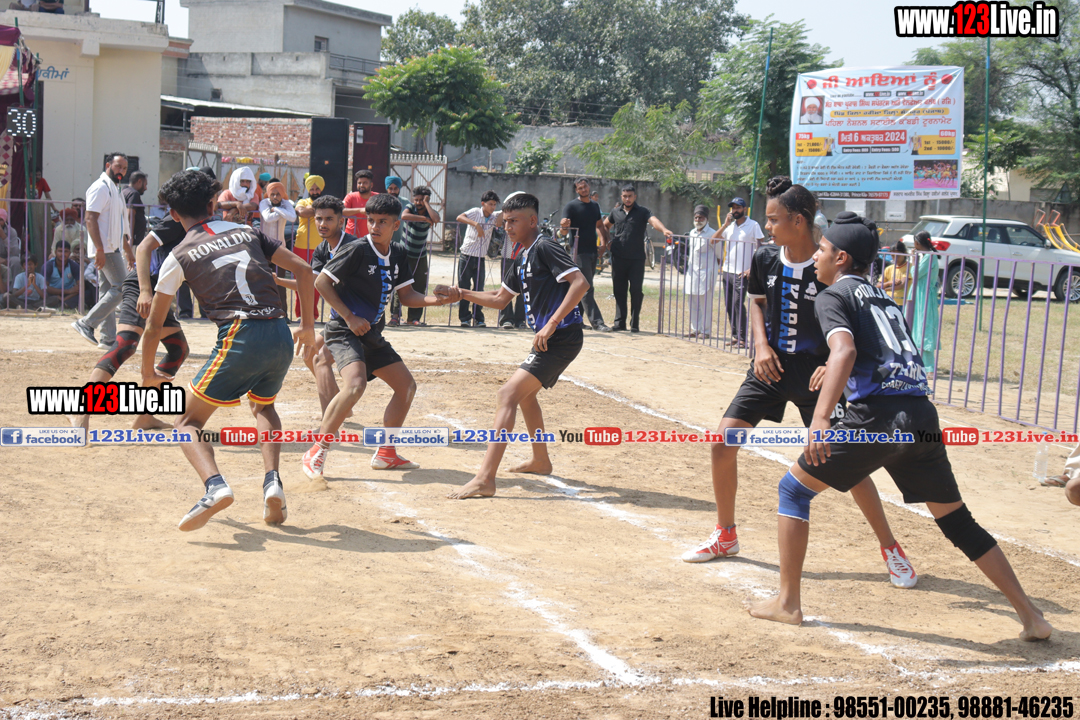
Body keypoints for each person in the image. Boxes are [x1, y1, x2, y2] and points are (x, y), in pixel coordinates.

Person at [748, 212, 1052, 642]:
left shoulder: (832, 295)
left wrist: (820, 418)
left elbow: (846, 350)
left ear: (841, 258)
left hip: (878, 418)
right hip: (920, 416)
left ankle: (787, 603)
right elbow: (884, 353)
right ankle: (1032, 616)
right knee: (957, 521)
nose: (816, 256)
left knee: (793, 490)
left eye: (823, 249)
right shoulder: (883, 297)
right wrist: (833, 369)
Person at [682, 177, 917, 591]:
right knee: (722, 441)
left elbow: (853, 325)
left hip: (817, 376)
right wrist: (760, 346)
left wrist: (831, 365)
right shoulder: (765, 258)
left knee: (847, 465)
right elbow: (756, 302)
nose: (766, 226)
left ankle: (891, 548)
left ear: (798, 221)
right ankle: (726, 534)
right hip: (770, 368)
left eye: (773, 219)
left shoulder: (830, 266)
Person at [141, 169, 317, 532]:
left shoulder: (178, 255)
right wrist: (308, 326)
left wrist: (147, 375)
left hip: (240, 334)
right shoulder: (247, 232)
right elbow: (303, 269)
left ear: (173, 214)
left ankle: (215, 486)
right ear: (212, 204)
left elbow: (154, 326)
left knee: (186, 423)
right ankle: (273, 483)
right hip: (279, 332)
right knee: (263, 406)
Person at [436, 193, 590, 499]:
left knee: (507, 394)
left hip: (562, 337)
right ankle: (541, 460)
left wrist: (552, 323)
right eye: (505, 221)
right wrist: (462, 293)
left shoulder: (545, 246)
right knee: (525, 397)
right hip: (550, 339)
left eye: (513, 221)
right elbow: (499, 299)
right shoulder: (521, 256)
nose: (507, 227)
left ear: (532, 221)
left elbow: (580, 282)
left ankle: (485, 479)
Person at [302, 193, 450, 479]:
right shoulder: (357, 249)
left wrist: (437, 301)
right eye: (370, 220)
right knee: (355, 385)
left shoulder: (398, 252)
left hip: (370, 333)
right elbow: (321, 282)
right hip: (344, 330)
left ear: (396, 225)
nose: (374, 226)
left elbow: (407, 296)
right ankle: (317, 450)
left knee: (406, 386)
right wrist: (349, 316)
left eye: (382, 222)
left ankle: (386, 453)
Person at [68, 199, 194, 432]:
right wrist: (145, 290)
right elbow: (143, 247)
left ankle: (145, 416)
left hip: (161, 291)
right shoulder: (178, 218)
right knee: (126, 344)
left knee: (178, 349)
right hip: (142, 285)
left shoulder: (206, 225)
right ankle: (80, 409)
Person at [72, 153, 131, 349]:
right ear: (108, 165)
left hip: (111, 247)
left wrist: (128, 250)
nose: (121, 171)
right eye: (118, 166)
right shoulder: (100, 187)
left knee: (107, 290)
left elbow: (120, 225)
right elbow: (90, 219)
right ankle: (87, 323)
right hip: (105, 248)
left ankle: (107, 338)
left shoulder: (114, 189)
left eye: (124, 168)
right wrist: (98, 248)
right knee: (122, 288)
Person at [603, 185, 672, 332]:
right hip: (618, 257)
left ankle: (634, 324)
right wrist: (607, 241)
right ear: (621, 197)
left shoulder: (642, 212)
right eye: (625, 196)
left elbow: (654, 221)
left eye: (630, 196)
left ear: (635, 197)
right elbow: (605, 226)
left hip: (636, 259)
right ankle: (620, 323)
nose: (627, 199)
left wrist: (664, 230)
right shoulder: (615, 212)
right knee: (619, 290)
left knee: (636, 290)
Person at [711, 197, 765, 347]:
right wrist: (725, 225)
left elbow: (760, 247)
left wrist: (752, 268)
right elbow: (713, 241)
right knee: (729, 304)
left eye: (738, 207)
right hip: (727, 271)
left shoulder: (753, 225)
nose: (735, 210)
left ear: (744, 209)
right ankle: (735, 336)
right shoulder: (730, 227)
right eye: (733, 208)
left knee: (737, 303)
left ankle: (742, 338)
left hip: (742, 272)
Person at [561, 177, 611, 331]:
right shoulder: (571, 206)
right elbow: (564, 231)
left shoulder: (595, 206)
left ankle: (576, 321)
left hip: (592, 251)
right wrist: (563, 226)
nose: (583, 190)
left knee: (581, 287)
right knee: (586, 287)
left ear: (589, 186)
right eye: (580, 188)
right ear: (576, 190)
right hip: (579, 252)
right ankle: (598, 322)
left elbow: (599, 225)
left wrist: (603, 243)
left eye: (585, 186)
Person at [391, 185, 440, 326]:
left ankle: (413, 318)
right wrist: (424, 219)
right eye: (416, 200)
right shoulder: (410, 208)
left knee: (419, 286)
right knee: (400, 284)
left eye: (421, 200)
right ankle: (395, 316)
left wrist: (427, 204)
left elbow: (436, 218)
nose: (418, 203)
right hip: (404, 253)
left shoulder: (430, 211)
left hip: (420, 255)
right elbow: (404, 216)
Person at [455, 190, 504, 327]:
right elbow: (459, 217)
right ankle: (464, 318)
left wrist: (503, 210)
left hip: (480, 258)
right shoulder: (475, 212)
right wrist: (475, 224)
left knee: (479, 289)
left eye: (495, 204)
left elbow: (499, 223)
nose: (493, 207)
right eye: (490, 204)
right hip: (467, 255)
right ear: (483, 204)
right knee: (464, 287)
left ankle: (478, 318)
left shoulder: (495, 216)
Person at [259, 181, 298, 315]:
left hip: (279, 248)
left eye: (278, 194)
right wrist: (282, 213)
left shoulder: (286, 203)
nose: (275, 197)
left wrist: (276, 209)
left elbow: (292, 217)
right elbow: (267, 218)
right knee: (263, 281)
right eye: (273, 194)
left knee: (280, 283)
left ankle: (283, 314)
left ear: (282, 195)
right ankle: (264, 312)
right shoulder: (264, 203)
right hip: (263, 249)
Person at [293, 174, 325, 319]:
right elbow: (302, 212)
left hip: (320, 248)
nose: (314, 191)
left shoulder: (324, 202)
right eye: (312, 189)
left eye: (317, 189)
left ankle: (312, 314)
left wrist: (313, 211)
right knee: (300, 281)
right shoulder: (302, 201)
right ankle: (300, 314)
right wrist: (320, 209)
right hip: (301, 246)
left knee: (317, 282)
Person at [685, 205, 717, 339]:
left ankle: (706, 331)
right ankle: (695, 329)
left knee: (705, 304)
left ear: (707, 219)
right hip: (692, 272)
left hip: (706, 272)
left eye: (701, 217)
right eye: (696, 217)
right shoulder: (692, 232)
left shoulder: (712, 233)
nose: (698, 220)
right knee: (692, 302)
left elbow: (718, 254)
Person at [910, 231, 940, 376]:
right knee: (915, 326)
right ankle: (916, 361)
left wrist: (913, 260)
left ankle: (928, 366)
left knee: (924, 327)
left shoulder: (929, 257)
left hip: (924, 295)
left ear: (917, 243)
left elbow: (915, 273)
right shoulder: (926, 256)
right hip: (919, 293)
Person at [123, 171, 149, 269]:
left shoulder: (123, 191)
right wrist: (130, 237)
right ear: (139, 181)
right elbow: (130, 214)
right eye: (145, 184)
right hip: (132, 241)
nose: (146, 188)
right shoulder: (134, 194)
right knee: (131, 268)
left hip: (125, 239)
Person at [44, 241, 80, 309]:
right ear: (55, 252)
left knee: (86, 293)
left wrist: (64, 299)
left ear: (70, 253)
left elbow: (80, 287)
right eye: (60, 251)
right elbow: (45, 287)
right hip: (53, 294)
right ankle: (66, 304)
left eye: (65, 251)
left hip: (69, 295)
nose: (63, 254)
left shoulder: (74, 266)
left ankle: (64, 303)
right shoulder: (48, 265)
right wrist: (68, 291)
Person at [343, 169, 374, 238]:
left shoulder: (377, 197)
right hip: (351, 237)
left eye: (365, 183)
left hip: (371, 237)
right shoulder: (350, 196)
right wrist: (360, 210)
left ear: (371, 185)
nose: (362, 185)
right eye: (359, 183)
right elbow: (341, 211)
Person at [879, 240, 910, 305]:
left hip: (903, 303)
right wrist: (889, 282)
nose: (895, 258)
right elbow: (878, 285)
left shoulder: (910, 267)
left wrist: (885, 288)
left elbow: (902, 285)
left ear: (905, 253)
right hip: (888, 301)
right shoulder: (888, 269)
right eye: (893, 256)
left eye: (898, 255)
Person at [0, 208, 24, 287]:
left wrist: (4, 237)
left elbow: (15, 253)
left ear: (5, 220)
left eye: (1, 220)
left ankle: (12, 290)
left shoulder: (11, 231)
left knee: (16, 261)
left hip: (7, 258)